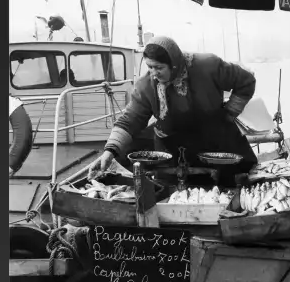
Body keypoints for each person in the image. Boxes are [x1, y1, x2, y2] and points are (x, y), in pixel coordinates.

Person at [88, 35, 257, 182]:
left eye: (159, 67)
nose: (154, 73)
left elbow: (246, 81)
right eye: (150, 67)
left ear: (174, 64)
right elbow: (130, 120)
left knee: (230, 181)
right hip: (171, 145)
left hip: (213, 138)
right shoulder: (146, 85)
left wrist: (229, 112)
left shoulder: (208, 66)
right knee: (172, 188)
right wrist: (109, 152)